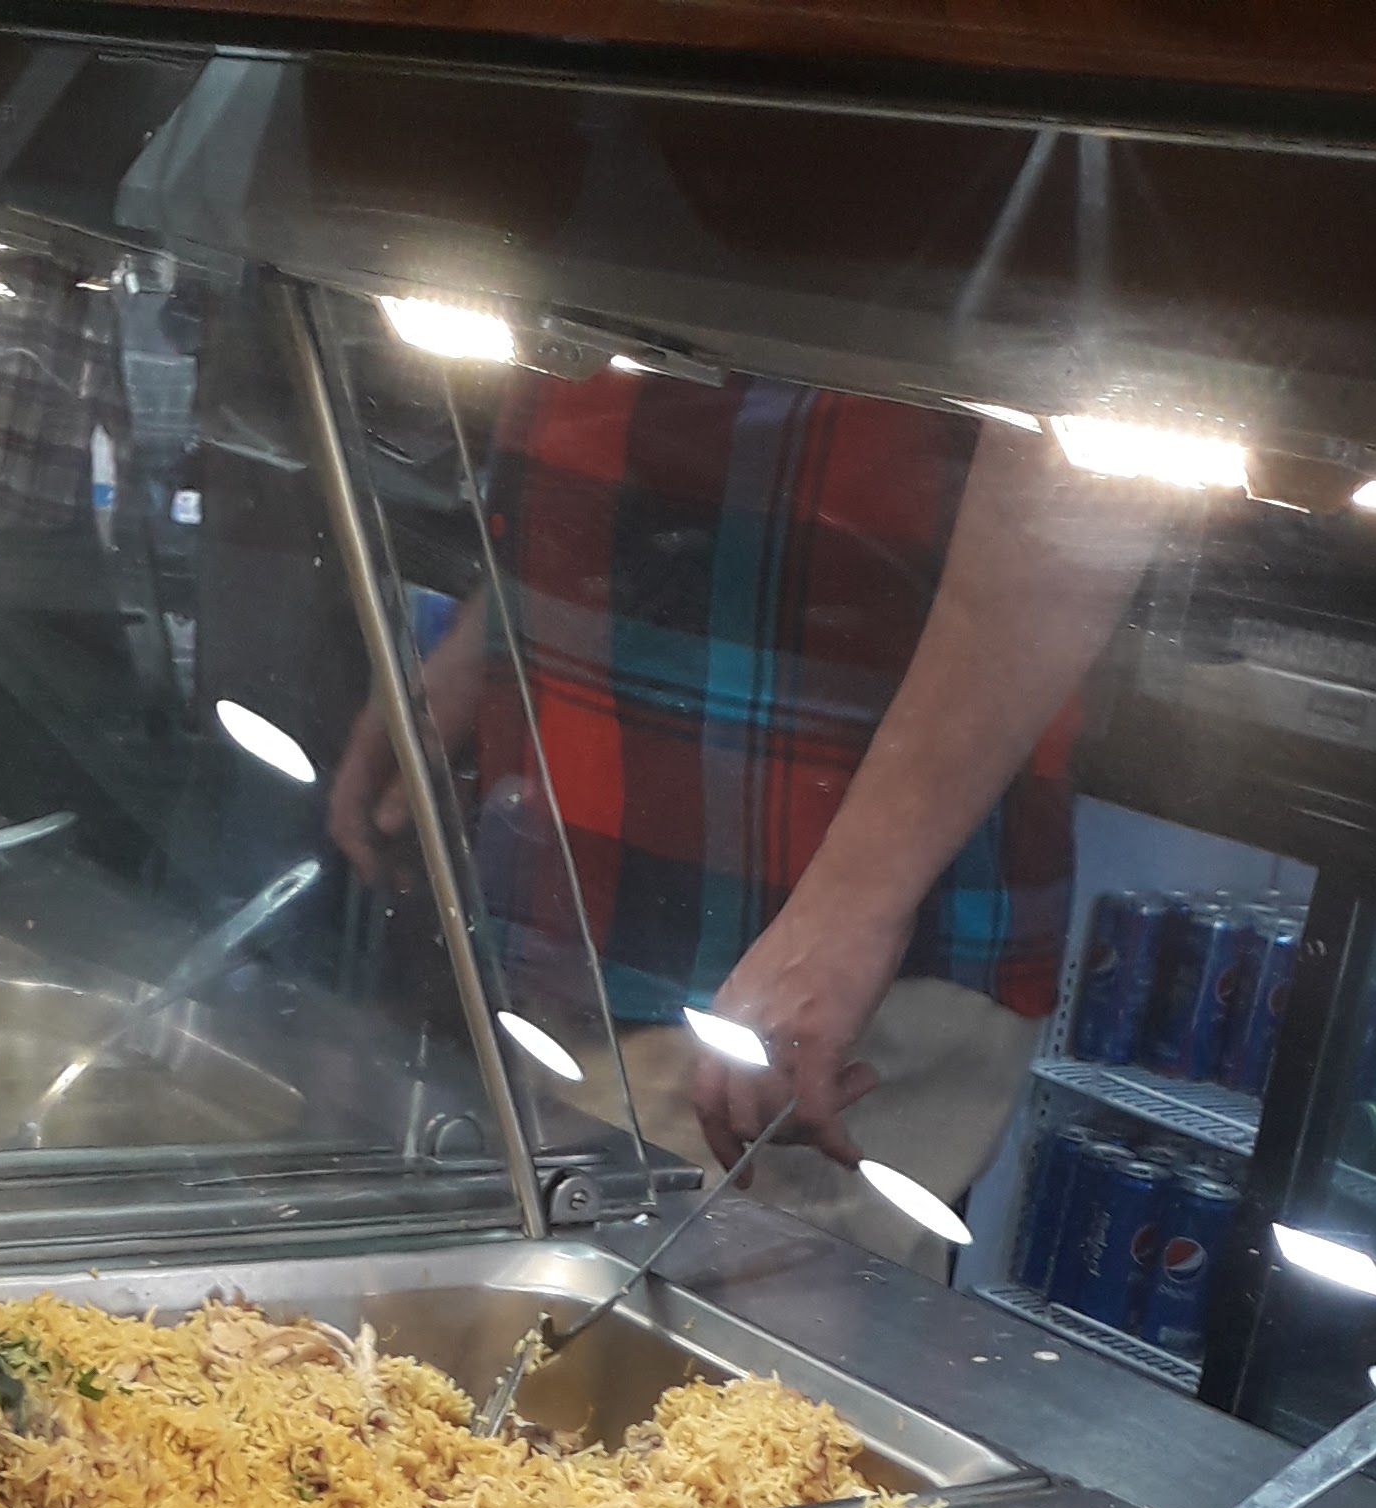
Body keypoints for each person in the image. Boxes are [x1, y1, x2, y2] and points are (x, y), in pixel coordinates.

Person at [329, 368, 1152, 1267]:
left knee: (695, 1346)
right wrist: (486, 642)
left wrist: (853, 905)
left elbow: (1103, 436)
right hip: (583, 883)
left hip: (792, 942)